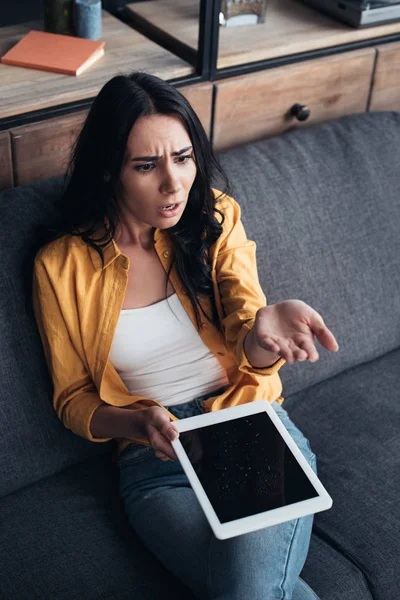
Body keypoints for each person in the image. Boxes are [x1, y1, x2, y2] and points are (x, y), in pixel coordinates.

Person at [32, 71, 339, 600]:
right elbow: (73, 399)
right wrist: (138, 420)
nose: (174, 183)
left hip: (248, 428)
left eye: (184, 157)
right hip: (154, 463)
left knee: (245, 591)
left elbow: (248, 319)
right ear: (110, 171)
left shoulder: (216, 217)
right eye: (146, 166)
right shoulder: (60, 268)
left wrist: (261, 338)